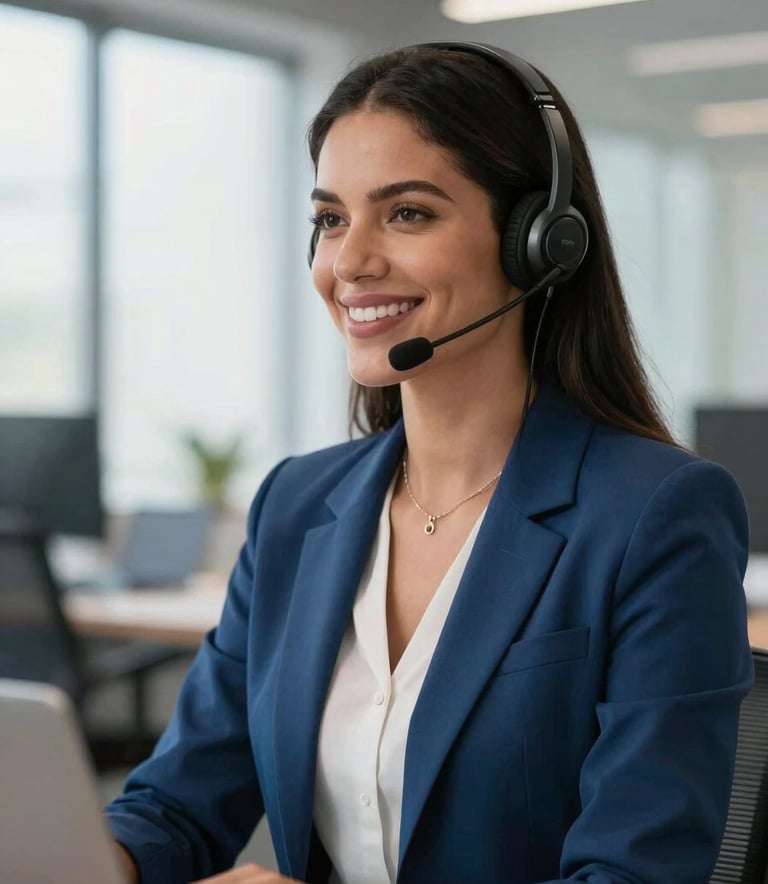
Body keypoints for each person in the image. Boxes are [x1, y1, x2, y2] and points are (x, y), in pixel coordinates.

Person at [106, 42, 753, 884]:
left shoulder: (658, 514)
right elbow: (174, 808)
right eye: (331, 219)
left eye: (406, 213)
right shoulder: (296, 506)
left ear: (537, 242)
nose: (349, 263)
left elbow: (634, 875)